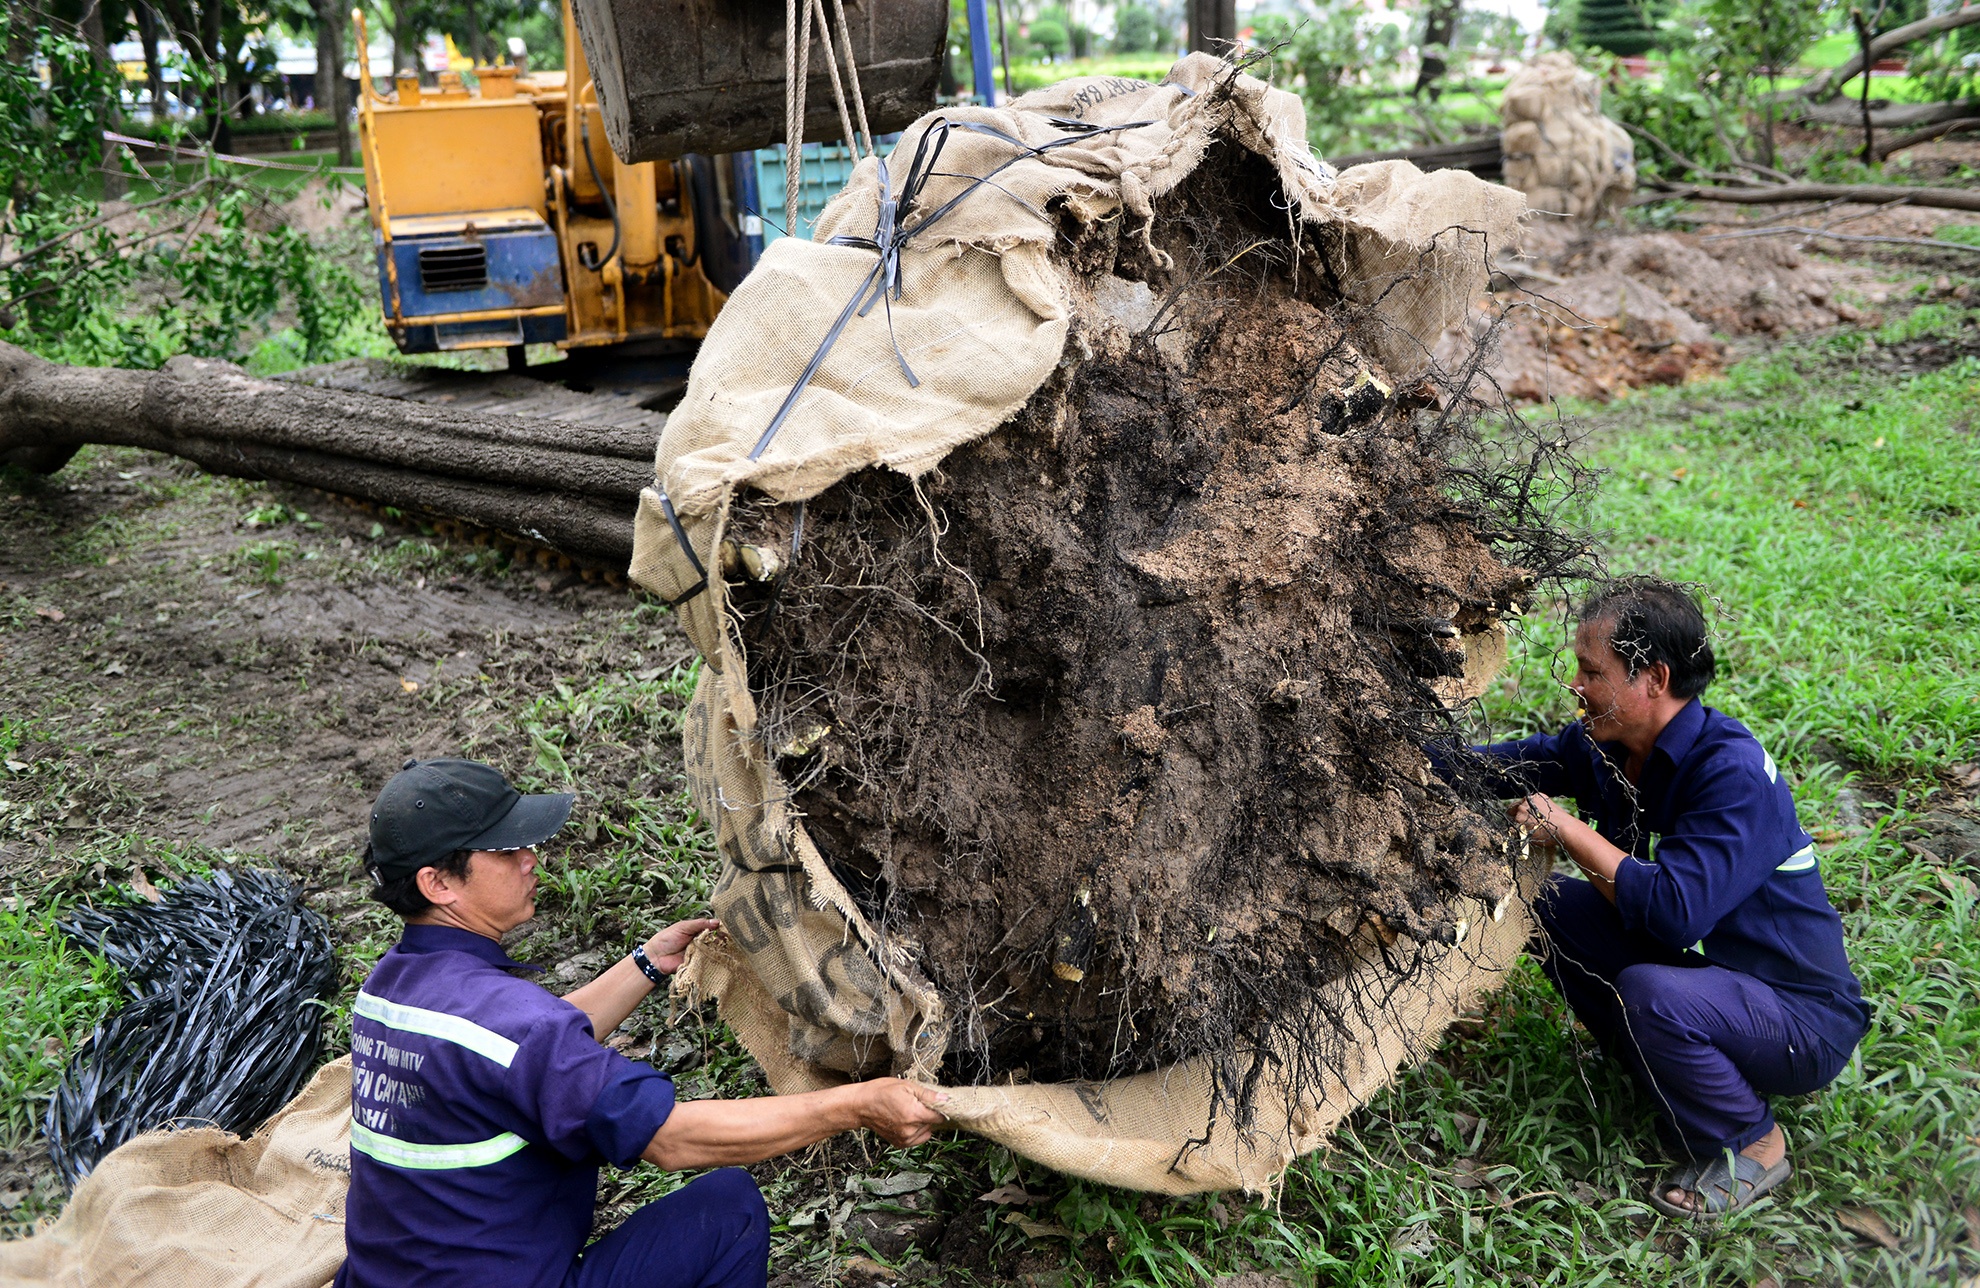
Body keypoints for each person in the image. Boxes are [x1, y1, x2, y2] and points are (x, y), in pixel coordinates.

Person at [337, 757, 948, 1288]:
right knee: (727, 1209)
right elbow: (673, 1138)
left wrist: (648, 964)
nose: (530, 859)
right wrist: (858, 1105)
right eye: (504, 850)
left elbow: (523, 1053)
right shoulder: (514, 1030)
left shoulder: (390, 990)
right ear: (437, 882)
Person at [1458, 578, 1869, 1219]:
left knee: (1657, 993)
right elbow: (1498, 764)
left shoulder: (1730, 771)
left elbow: (1677, 913)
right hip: (1721, 989)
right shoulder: (1607, 745)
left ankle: (1752, 1142)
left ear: (1653, 678)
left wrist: (1566, 830)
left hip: (1799, 1022)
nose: (1577, 684)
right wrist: (1392, 753)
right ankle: (1656, 1060)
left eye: (1592, 671)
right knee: (1551, 907)